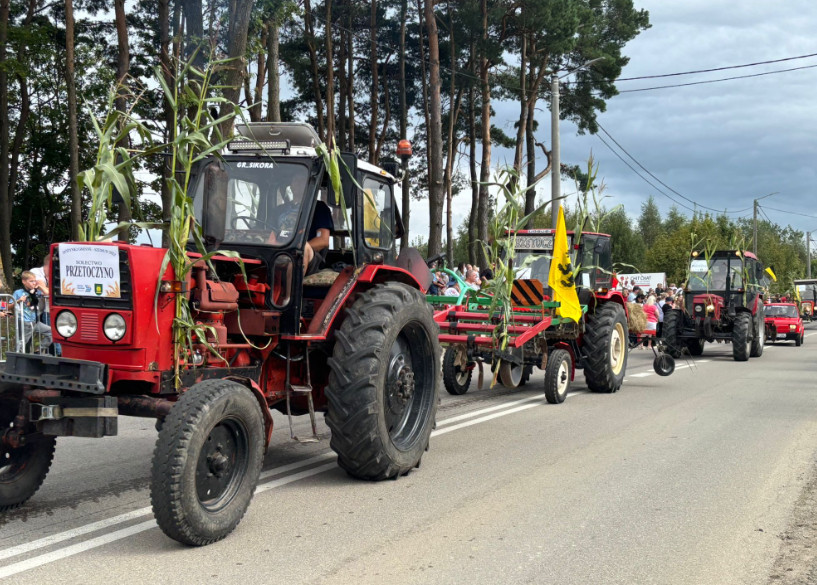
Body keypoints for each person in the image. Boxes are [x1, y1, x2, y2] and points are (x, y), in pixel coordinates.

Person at [13, 270, 52, 353]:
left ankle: (38, 351)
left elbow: (48, 293)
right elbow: (8, 306)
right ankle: (16, 359)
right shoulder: (18, 292)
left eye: (34, 281)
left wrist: (40, 286)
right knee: (22, 343)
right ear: (24, 282)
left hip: (35, 322)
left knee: (51, 332)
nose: (33, 283)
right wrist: (19, 301)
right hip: (25, 322)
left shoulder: (36, 292)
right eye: (31, 281)